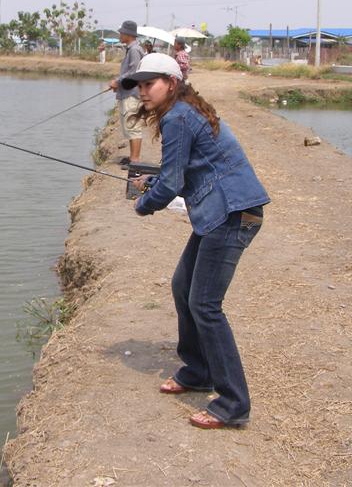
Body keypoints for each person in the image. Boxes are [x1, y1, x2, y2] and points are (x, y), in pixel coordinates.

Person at [123, 53, 270, 430]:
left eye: (149, 84)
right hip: (219, 213)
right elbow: (185, 173)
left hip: (233, 212)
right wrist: (153, 184)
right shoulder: (184, 111)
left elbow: (172, 182)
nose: (142, 92)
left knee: (205, 305)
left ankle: (233, 403)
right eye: (139, 85)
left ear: (171, 83)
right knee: (182, 286)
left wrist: (144, 203)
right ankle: (198, 370)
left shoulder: (178, 117)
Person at [108, 20, 145, 166]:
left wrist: (117, 81)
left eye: (121, 32)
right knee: (129, 126)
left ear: (128, 34)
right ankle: (132, 158)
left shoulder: (135, 50)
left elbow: (133, 72)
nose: (120, 35)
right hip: (128, 92)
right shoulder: (131, 49)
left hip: (132, 95)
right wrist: (119, 83)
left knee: (133, 127)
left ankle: (135, 160)